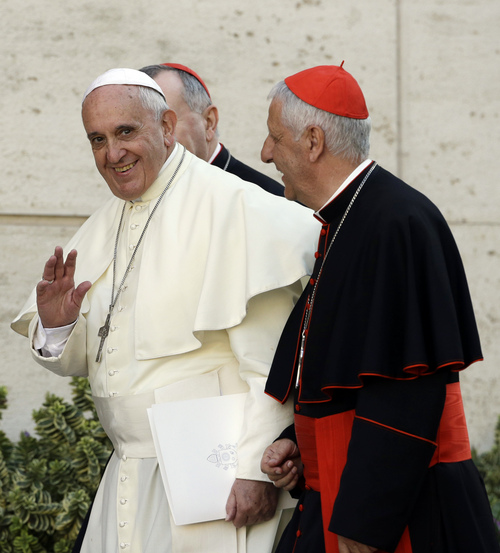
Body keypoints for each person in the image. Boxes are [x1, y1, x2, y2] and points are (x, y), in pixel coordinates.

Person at [11, 68, 321, 553]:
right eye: (98, 139)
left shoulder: (233, 207)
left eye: (126, 132)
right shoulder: (104, 223)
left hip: (216, 479)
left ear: (167, 127)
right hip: (128, 471)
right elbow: (90, 360)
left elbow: (270, 365)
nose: (113, 153)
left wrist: (254, 471)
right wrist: (58, 325)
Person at [259, 64, 500, 553]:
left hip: (388, 513)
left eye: (275, 138)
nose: (265, 153)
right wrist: (300, 443)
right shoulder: (346, 219)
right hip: (339, 492)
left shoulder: (397, 223)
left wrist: (366, 519)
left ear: (313, 141)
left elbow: (408, 389)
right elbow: (350, 370)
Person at [140, 62, 285, 196]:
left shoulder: (266, 198)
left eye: (166, 123)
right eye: (133, 129)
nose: (150, 140)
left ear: (209, 122)